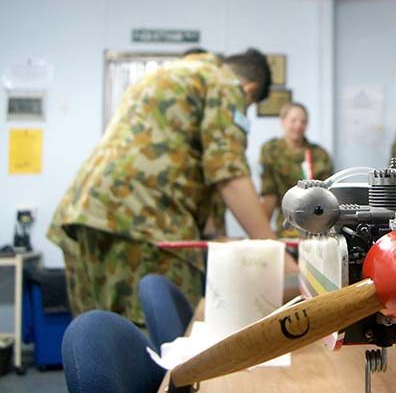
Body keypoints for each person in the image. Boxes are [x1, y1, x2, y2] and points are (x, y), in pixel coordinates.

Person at [48, 48, 290, 325]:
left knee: (105, 341)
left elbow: (182, 160)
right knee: (163, 341)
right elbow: (228, 171)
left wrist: (214, 233)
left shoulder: (168, 75)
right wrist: (274, 251)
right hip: (144, 222)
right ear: (250, 89)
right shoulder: (225, 82)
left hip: (87, 212)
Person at [259, 102, 334, 238]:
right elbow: (269, 194)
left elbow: (328, 197)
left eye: (303, 122)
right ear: (282, 121)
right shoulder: (271, 151)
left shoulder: (320, 154)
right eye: (293, 121)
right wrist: (261, 236)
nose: (298, 126)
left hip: (316, 229)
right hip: (286, 228)